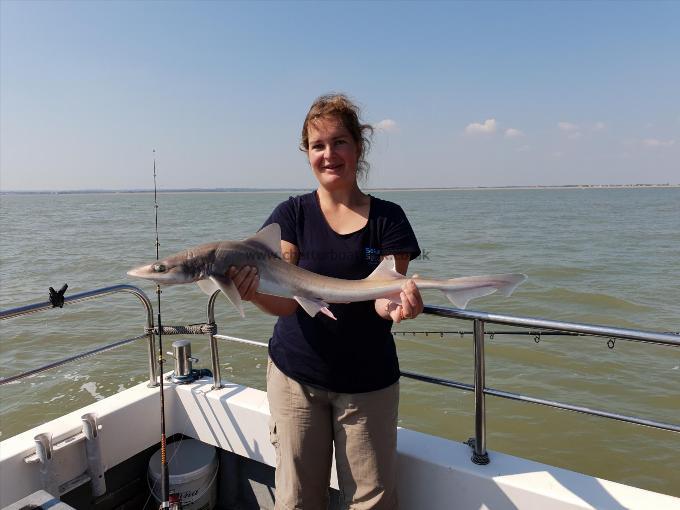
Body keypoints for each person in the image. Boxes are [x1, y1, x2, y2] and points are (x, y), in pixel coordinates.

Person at [228, 93, 423, 510]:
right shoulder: (291, 216)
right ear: (307, 153)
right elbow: (287, 303)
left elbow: (383, 301)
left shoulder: (389, 219)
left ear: (358, 147)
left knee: (371, 501)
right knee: (297, 499)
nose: (329, 154)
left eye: (339, 142)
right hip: (297, 377)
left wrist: (400, 305)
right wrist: (254, 290)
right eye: (318, 145)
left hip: (368, 384)